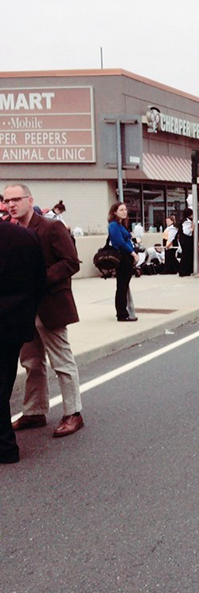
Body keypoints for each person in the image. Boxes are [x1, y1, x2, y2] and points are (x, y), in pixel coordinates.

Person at [5, 184, 86, 438]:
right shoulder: (10, 230)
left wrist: (38, 280)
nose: (11, 205)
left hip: (50, 304)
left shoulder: (51, 227)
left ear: (30, 200)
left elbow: (71, 262)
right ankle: (34, 412)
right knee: (30, 361)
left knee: (61, 360)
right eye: (7, 201)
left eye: (16, 199)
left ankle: (73, 413)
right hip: (22, 308)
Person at [0, 220, 47, 463]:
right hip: (17, 320)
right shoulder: (26, 237)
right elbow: (40, 280)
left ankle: (6, 446)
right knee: (6, 376)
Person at [108, 202, 139, 322]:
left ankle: (125, 310)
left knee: (124, 286)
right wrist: (133, 253)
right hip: (123, 257)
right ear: (114, 212)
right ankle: (121, 313)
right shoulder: (113, 226)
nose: (124, 212)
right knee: (122, 286)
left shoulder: (121, 225)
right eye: (121, 210)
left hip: (127, 257)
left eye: (125, 209)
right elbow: (120, 242)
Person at [178, 208, 194, 277]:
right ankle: (185, 271)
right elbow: (186, 232)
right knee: (187, 255)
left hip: (183, 240)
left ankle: (184, 270)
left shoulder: (182, 221)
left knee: (185, 255)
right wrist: (192, 229)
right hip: (186, 240)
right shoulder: (186, 222)